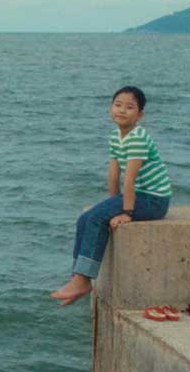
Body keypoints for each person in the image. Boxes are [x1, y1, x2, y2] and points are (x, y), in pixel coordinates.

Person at [50, 85, 172, 306]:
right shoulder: (116, 136)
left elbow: (129, 180)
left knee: (96, 218)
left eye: (129, 107)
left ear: (140, 115)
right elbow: (114, 175)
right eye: (118, 105)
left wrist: (126, 213)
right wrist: (112, 204)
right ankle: (77, 279)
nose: (122, 110)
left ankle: (83, 280)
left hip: (154, 200)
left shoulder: (137, 138)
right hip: (139, 195)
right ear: (110, 108)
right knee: (85, 218)